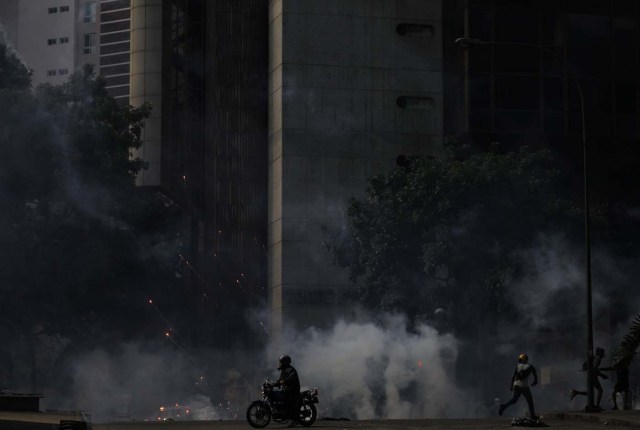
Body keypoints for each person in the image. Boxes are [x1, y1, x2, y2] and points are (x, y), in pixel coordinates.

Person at [499, 353, 539, 419]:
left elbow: (513, 376)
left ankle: (503, 406)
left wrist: (511, 386)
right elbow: (535, 374)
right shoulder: (530, 366)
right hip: (523, 386)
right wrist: (535, 381)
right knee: (530, 401)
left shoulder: (517, 366)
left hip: (516, 385)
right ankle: (532, 416)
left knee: (514, 400)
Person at [274, 354, 301, 427]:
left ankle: (295, 421)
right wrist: (274, 384)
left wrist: (283, 381)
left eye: (281, 362)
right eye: (280, 362)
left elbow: (291, 378)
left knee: (289, 404)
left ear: (286, 362)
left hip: (293, 390)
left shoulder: (290, 370)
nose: (280, 363)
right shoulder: (283, 370)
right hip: (287, 390)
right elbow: (280, 379)